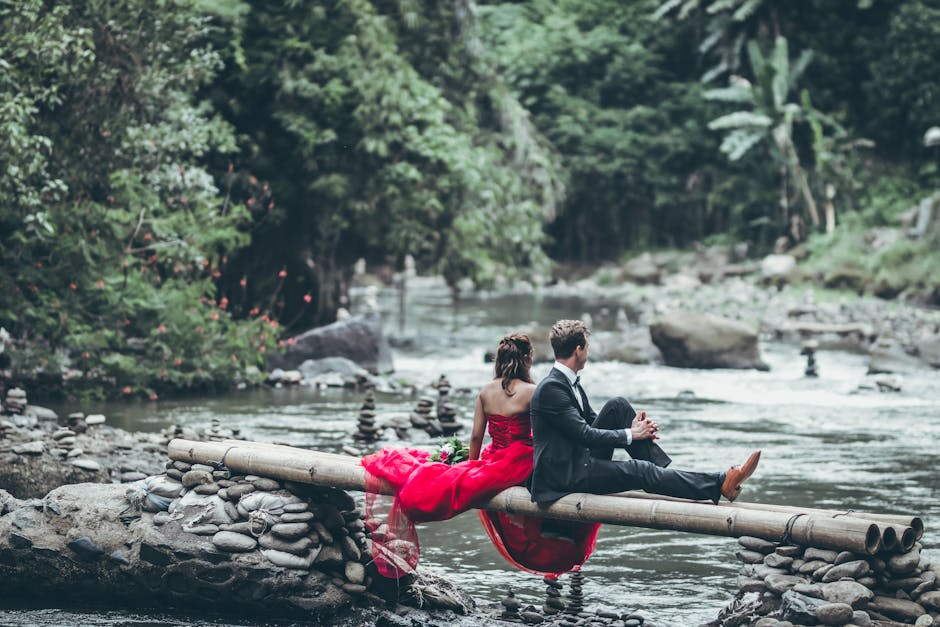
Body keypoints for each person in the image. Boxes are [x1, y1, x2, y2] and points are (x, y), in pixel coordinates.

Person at [362, 332, 597, 578]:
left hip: (494, 455)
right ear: (527, 359)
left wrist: (471, 467)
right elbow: (546, 433)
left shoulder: (486, 391)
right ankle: (556, 541)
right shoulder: (533, 391)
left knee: (448, 476)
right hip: (523, 458)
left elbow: (476, 436)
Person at [529, 319, 760, 506]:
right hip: (567, 476)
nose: (587, 353)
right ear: (578, 350)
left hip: (579, 460)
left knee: (618, 406)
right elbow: (585, 434)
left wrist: (638, 429)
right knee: (641, 471)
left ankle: (663, 475)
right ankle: (719, 483)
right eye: (587, 347)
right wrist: (631, 434)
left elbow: (591, 420)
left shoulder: (569, 383)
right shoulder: (552, 388)